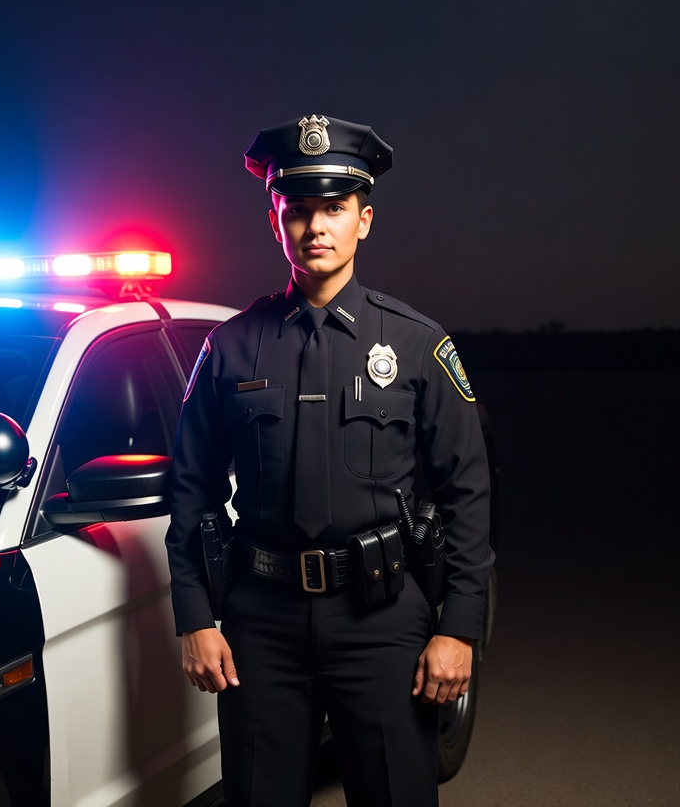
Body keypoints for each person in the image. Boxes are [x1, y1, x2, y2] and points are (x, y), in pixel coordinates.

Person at [165, 113, 495, 807]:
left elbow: (467, 490)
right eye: (299, 210)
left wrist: (460, 627)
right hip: (262, 625)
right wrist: (195, 616)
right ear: (275, 220)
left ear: (364, 220)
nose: (316, 227)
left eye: (335, 209)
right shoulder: (230, 348)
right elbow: (191, 488)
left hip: (382, 619)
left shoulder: (416, 344)